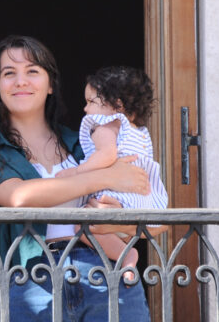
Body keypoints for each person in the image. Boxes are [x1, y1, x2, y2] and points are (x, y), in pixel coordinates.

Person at [0, 35, 154, 321]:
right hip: (34, 279)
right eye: (9, 73)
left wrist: (113, 200)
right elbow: (20, 197)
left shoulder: (85, 142)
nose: (21, 81)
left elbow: (135, 196)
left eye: (32, 71)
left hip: (106, 271)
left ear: (50, 84)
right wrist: (103, 177)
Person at [57, 66, 168, 282]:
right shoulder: (140, 132)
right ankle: (125, 251)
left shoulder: (104, 126)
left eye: (91, 102)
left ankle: (126, 255)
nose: (86, 109)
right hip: (141, 199)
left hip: (115, 195)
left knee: (82, 224)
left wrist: (76, 172)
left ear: (116, 105)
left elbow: (106, 156)